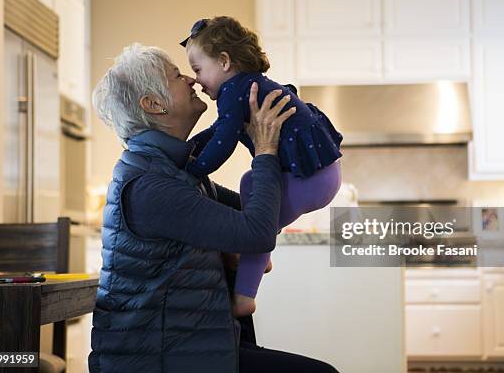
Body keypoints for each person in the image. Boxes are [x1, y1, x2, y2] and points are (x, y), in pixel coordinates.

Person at [89, 43, 339, 373]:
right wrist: (265, 150)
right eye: (177, 75)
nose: (192, 81)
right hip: (158, 358)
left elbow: (255, 217)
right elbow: (258, 233)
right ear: (153, 105)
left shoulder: (175, 171)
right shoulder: (150, 184)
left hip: (190, 346)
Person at [180, 16, 343, 316]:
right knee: (250, 183)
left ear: (225, 62)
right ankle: (260, 257)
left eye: (198, 70)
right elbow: (219, 130)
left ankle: (244, 297)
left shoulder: (233, 91)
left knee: (256, 217)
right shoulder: (246, 85)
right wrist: (188, 149)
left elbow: (225, 140)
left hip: (310, 179)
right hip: (322, 174)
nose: (197, 81)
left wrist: (196, 168)